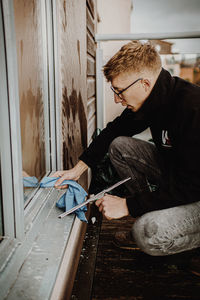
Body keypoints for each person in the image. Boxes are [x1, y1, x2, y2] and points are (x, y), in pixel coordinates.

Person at [53, 41, 200, 262]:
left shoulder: (192, 109)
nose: (116, 99)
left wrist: (128, 205)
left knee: (147, 233)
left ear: (145, 83)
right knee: (120, 146)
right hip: (179, 176)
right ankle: (154, 210)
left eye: (119, 91)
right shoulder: (153, 100)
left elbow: (192, 186)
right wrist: (78, 169)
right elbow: (115, 130)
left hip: (195, 189)